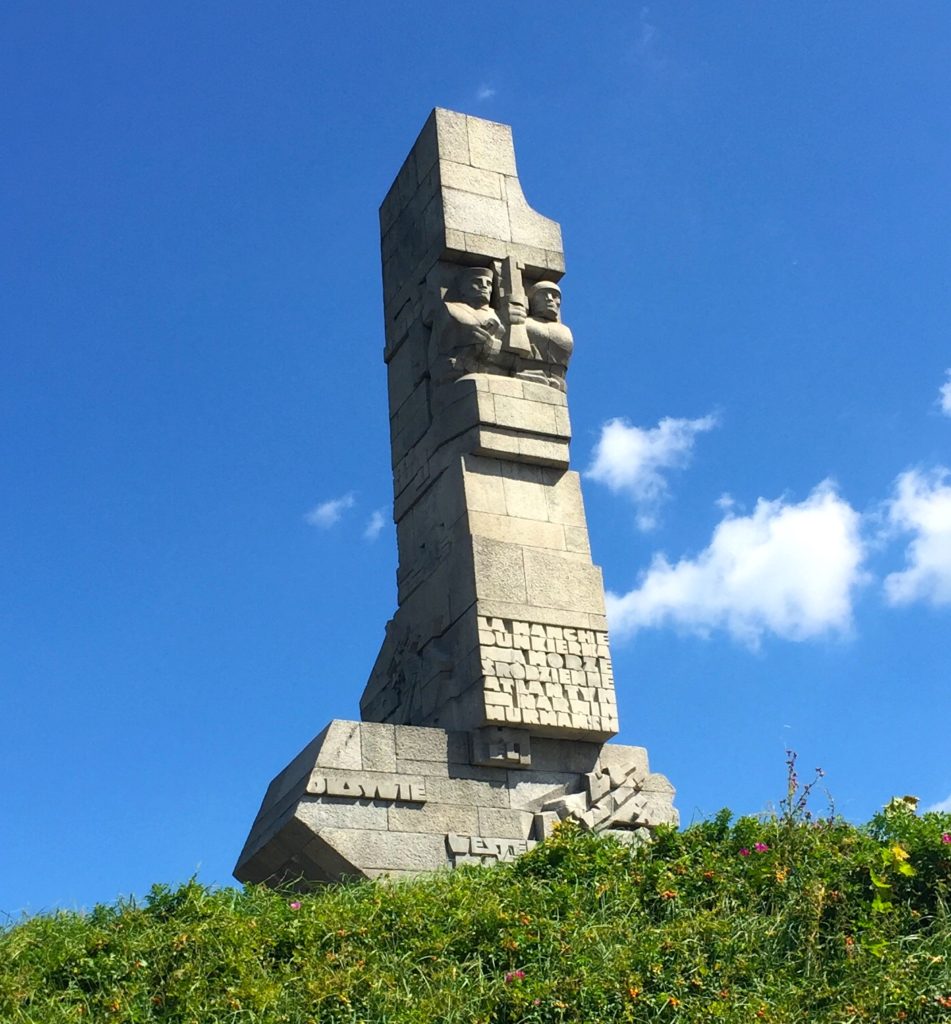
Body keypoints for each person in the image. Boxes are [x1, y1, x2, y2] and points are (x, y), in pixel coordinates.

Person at [428, 266, 507, 383]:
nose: (484, 286)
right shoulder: (450, 309)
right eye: (477, 282)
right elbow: (438, 351)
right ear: (462, 288)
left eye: (488, 283)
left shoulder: (497, 315)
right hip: (459, 371)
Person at [517, 280, 573, 392]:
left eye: (555, 296)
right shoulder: (525, 324)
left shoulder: (565, 331)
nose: (549, 298)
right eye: (543, 295)